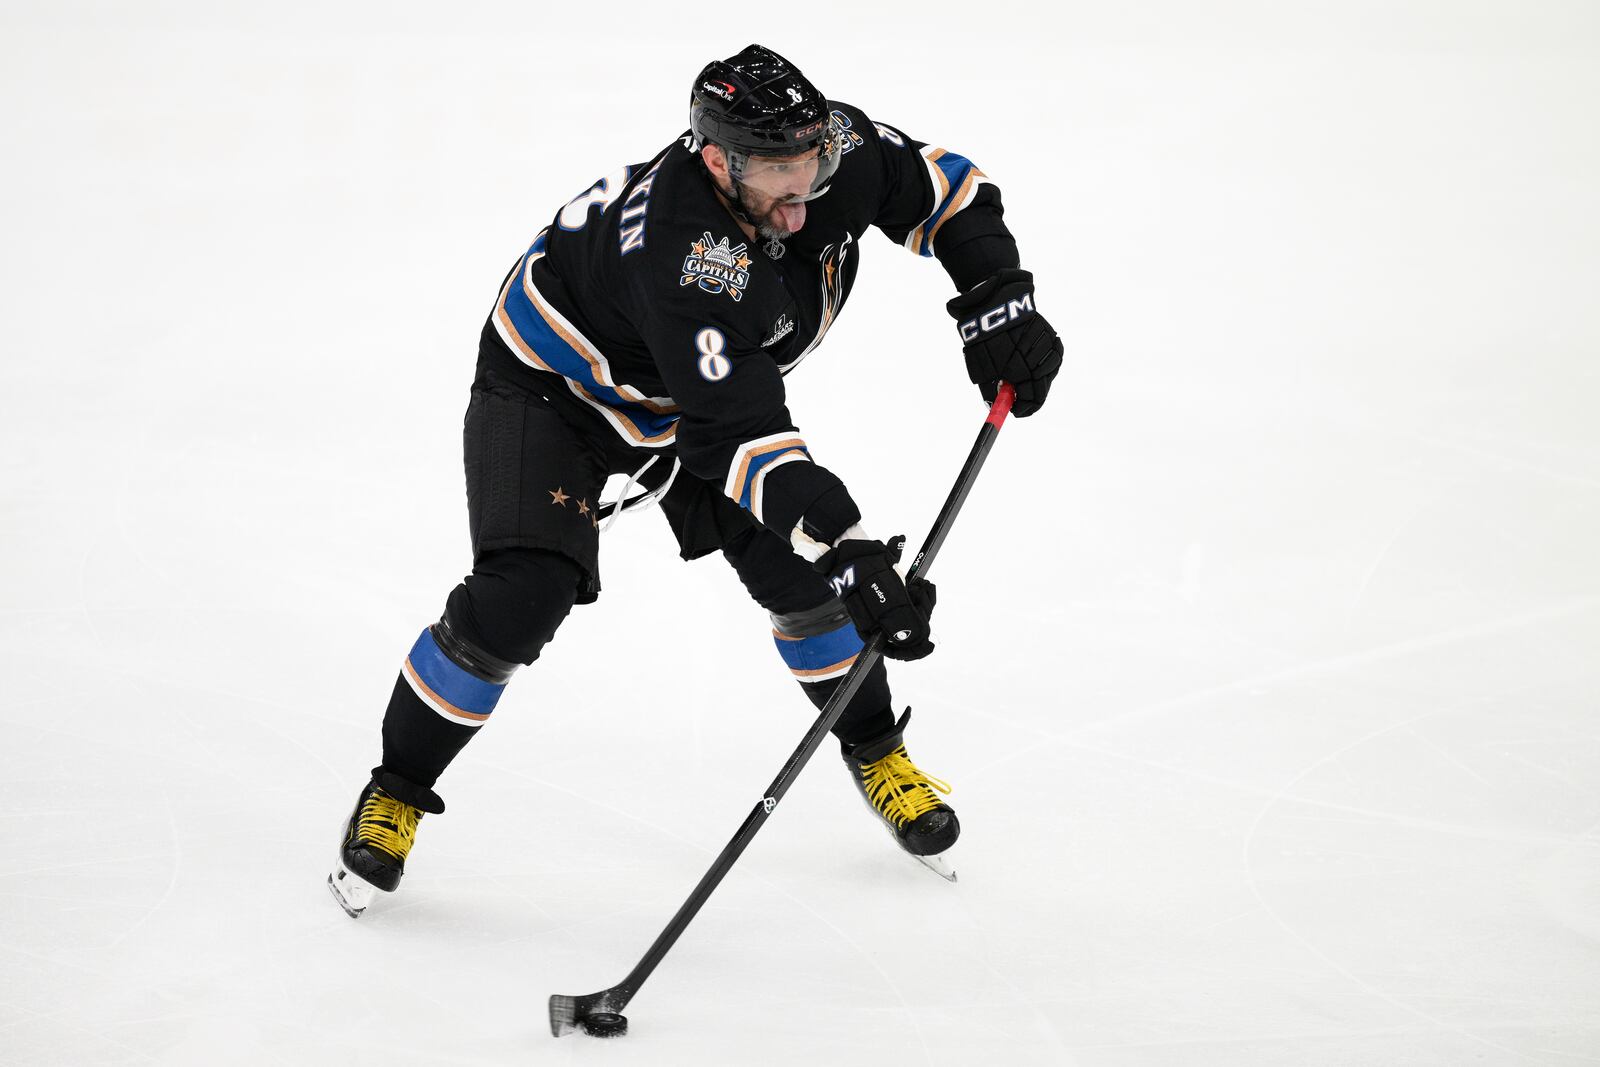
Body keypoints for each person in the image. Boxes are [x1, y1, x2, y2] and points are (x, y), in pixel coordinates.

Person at [328, 44, 1063, 916]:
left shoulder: (832, 151)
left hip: (693, 395)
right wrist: (852, 548)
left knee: (805, 582)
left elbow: (948, 191)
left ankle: (876, 751)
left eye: (815, 169)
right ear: (717, 160)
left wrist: (995, 296)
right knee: (522, 595)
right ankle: (397, 790)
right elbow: (742, 433)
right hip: (555, 390)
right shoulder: (687, 256)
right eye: (777, 184)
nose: (802, 204)